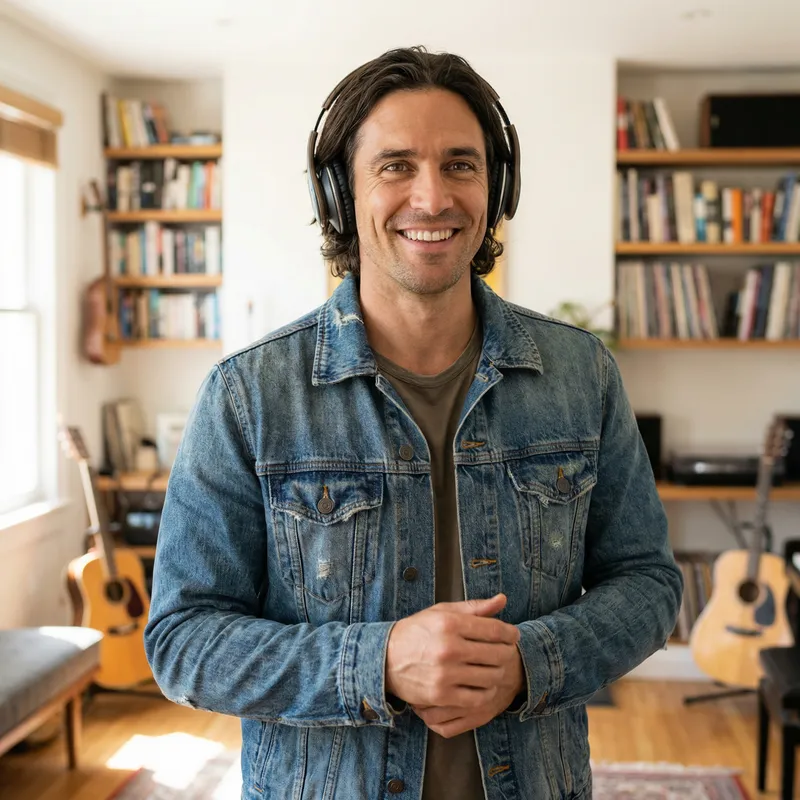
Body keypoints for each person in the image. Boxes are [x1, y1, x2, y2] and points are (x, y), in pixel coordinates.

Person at [144, 45, 683, 800]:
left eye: (461, 165)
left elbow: (650, 582)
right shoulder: (247, 395)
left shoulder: (582, 373)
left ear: (496, 190)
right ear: (340, 195)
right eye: (396, 165)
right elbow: (181, 641)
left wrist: (535, 660)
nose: (432, 198)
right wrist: (379, 662)